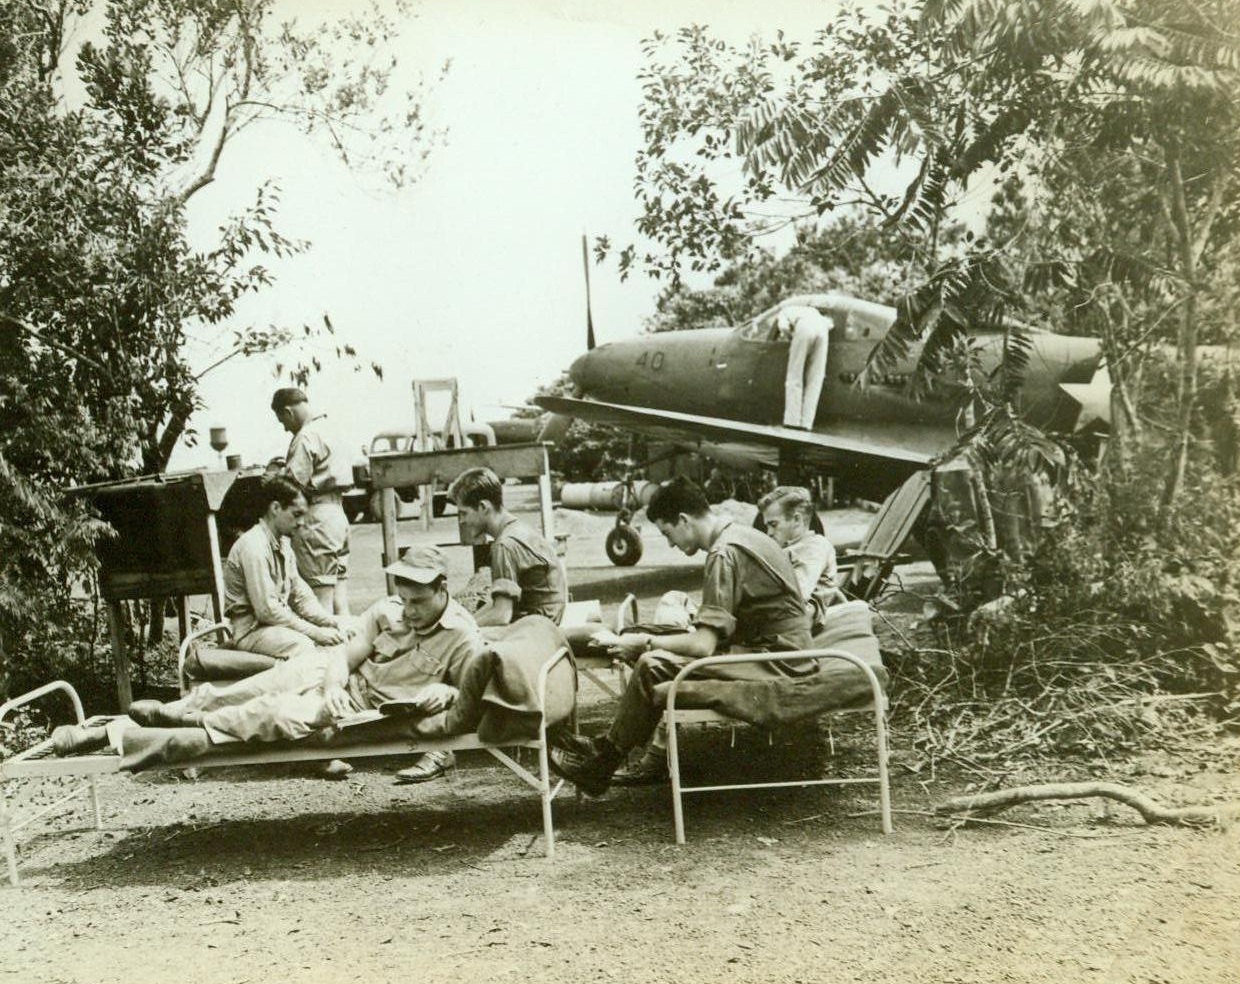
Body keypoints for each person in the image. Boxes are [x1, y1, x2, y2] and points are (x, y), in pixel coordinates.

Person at [53, 547, 484, 770]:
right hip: (327, 676)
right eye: (404, 598)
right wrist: (333, 685)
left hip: (361, 709)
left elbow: (467, 693)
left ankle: (142, 729)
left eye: (418, 601)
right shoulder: (389, 610)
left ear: (443, 588)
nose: (408, 610)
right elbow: (344, 656)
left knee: (269, 713)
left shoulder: (464, 638)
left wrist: (443, 690)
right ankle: (146, 719)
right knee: (238, 692)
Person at [549, 476, 814, 797]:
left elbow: (702, 646)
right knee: (645, 636)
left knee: (651, 663)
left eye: (667, 533)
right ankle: (605, 748)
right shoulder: (744, 535)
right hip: (782, 650)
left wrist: (644, 643)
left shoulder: (723, 553)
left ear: (684, 521)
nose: (672, 543)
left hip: (777, 662)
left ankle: (602, 763)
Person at [224, 475, 352, 661]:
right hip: (251, 632)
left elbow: (301, 596)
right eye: (296, 514)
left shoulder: (283, 544)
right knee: (305, 646)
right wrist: (315, 632)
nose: (301, 523)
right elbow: (266, 610)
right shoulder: (254, 545)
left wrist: (333, 621)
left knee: (341, 634)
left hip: (272, 628)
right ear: (275, 508)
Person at [447, 466, 567, 627]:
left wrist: (461, 630)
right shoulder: (519, 528)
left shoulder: (505, 546)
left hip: (536, 628)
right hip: (545, 619)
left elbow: (501, 615)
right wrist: (467, 622)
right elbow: (498, 602)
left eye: (464, 513)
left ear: (483, 507)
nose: (461, 521)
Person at [271, 387, 353, 615]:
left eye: (282, 421)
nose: (285, 428)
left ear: (288, 411)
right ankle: (349, 649)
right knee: (340, 601)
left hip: (316, 518)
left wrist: (273, 480)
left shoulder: (305, 436)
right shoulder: (332, 428)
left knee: (320, 602)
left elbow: (291, 486)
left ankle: (327, 651)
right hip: (338, 515)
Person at [758, 485, 841, 633]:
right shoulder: (792, 547)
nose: (769, 533)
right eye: (767, 526)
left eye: (774, 525)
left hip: (794, 626)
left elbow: (796, 596)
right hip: (783, 620)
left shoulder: (814, 547)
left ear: (796, 519)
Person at [772, 304, 833, 430]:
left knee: (794, 374)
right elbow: (831, 324)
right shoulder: (815, 313)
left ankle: (792, 421)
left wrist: (792, 337)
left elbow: (783, 326)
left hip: (804, 327)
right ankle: (806, 423)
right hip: (823, 330)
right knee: (816, 377)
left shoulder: (784, 311)